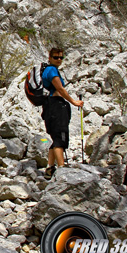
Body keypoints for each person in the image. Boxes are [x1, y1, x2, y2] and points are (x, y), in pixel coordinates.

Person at [42, 48, 83, 178]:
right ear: (49, 57)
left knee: (55, 137)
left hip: (50, 106)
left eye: (61, 58)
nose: (59, 60)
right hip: (56, 106)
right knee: (60, 137)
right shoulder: (52, 70)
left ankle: (50, 168)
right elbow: (60, 88)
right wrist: (73, 101)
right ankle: (62, 170)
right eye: (56, 57)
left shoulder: (48, 69)